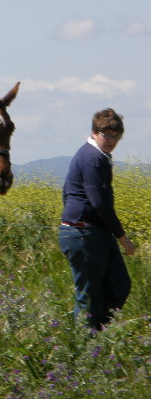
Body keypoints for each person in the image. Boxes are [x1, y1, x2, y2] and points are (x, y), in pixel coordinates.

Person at [59, 108, 137, 330]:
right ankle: (83, 348)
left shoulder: (96, 156)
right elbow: (98, 202)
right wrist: (122, 237)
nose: (111, 140)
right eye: (107, 134)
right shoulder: (92, 158)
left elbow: (67, 192)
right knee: (90, 297)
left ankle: (97, 337)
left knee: (119, 286)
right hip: (83, 234)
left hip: (94, 232)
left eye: (116, 136)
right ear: (94, 132)